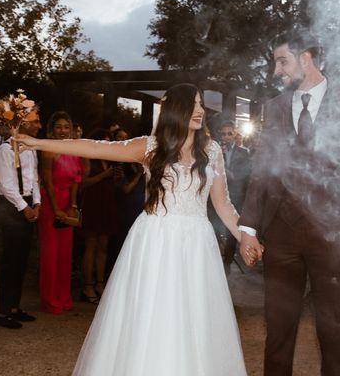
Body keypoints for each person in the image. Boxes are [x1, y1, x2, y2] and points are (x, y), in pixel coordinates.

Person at [16, 83, 253, 376]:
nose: (200, 110)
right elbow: (93, 146)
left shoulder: (211, 149)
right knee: (151, 315)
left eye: (201, 104)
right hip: (155, 240)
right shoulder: (151, 147)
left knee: (194, 317)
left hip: (196, 244)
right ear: (174, 109)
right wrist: (39, 143)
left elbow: (223, 203)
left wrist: (245, 235)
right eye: (193, 104)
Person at [239, 36, 340, 376]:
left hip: (334, 234)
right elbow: (262, 168)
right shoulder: (276, 105)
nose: (276, 70)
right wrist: (248, 228)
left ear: (305, 58)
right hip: (281, 234)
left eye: (282, 62)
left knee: (333, 329)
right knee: (278, 327)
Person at [0, 116, 42, 329]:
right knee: (10, 260)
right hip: (13, 207)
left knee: (22, 258)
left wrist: (38, 202)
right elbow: (6, 185)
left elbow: (34, 177)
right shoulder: (5, 149)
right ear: (23, 123)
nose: (39, 126)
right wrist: (25, 208)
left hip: (29, 202)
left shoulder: (30, 147)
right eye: (36, 121)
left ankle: (14, 307)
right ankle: (3, 312)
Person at [38, 111, 83, 314]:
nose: (63, 130)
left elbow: (76, 180)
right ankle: (50, 300)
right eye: (59, 127)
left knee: (65, 254)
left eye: (67, 127)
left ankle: (64, 297)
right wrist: (56, 208)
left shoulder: (74, 150)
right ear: (52, 130)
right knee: (51, 253)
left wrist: (72, 206)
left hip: (67, 203)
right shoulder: (48, 150)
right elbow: (46, 180)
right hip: (50, 202)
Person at [79, 128, 119, 303]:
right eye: (103, 141)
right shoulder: (88, 158)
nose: (107, 144)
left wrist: (116, 177)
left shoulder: (110, 160)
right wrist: (104, 175)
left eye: (109, 141)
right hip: (92, 203)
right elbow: (83, 183)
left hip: (108, 203)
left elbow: (114, 185)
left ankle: (100, 283)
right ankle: (87, 285)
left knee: (103, 246)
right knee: (91, 245)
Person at [215, 120, 251, 274]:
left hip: (236, 196)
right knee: (214, 227)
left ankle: (227, 261)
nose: (227, 137)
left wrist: (231, 175)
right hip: (216, 197)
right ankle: (215, 259)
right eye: (223, 134)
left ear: (235, 134)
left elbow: (247, 175)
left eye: (230, 133)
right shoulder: (215, 151)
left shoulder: (244, 152)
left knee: (232, 230)